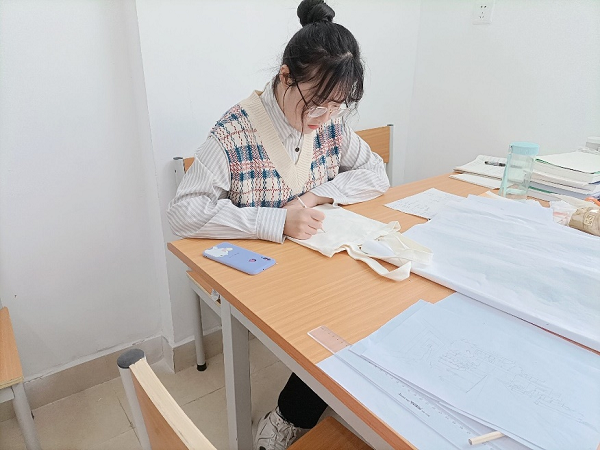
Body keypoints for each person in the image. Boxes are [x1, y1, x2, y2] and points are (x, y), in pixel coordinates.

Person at [167, 0, 389, 448]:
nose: (324, 119)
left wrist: (315, 196)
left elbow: (376, 173)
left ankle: (339, 397)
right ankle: (288, 417)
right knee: (335, 319)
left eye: (338, 106)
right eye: (317, 104)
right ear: (286, 77)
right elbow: (183, 213)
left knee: (371, 301)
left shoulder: (331, 123)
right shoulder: (235, 131)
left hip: (318, 260)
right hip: (263, 273)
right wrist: (277, 221)